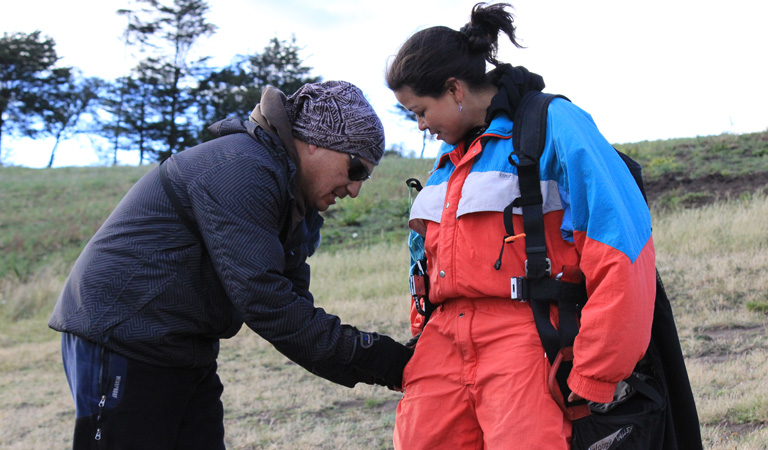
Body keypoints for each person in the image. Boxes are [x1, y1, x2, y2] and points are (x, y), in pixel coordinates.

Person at [48, 80, 413, 450]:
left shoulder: (292, 200)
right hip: (124, 338)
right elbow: (265, 301)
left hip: (180, 347)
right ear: (315, 141)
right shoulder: (243, 168)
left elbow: (293, 307)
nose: (355, 189)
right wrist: (385, 360)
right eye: (356, 169)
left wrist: (385, 362)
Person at [386, 4, 659, 449]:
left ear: (454, 89)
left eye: (420, 110)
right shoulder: (446, 163)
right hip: (440, 349)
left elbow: (622, 246)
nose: (421, 126)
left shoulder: (555, 125)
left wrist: (595, 371)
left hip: (527, 345)